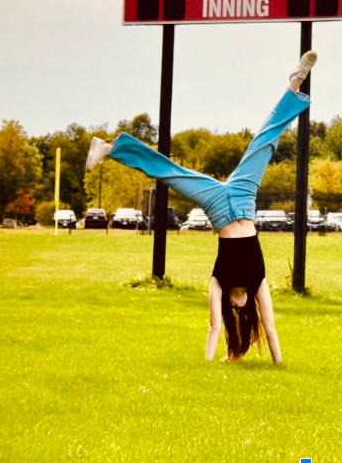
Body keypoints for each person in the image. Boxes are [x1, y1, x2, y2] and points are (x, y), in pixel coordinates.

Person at [84, 51, 318, 364]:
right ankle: (298, 79)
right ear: (247, 307)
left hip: (219, 207)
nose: (236, 308)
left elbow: (213, 327)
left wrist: (210, 362)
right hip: (244, 200)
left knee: (171, 174)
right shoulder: (258, 282)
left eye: (232, 310)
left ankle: (111, 148)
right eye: (240, 310)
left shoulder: (218, 283)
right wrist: (278, 362)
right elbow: (272, 330)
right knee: (266, 141)